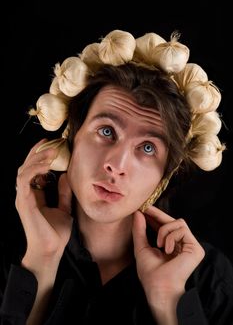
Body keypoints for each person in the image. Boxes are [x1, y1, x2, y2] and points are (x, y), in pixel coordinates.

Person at [0, 29, 233, 325]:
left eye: (147, 148)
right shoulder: (11, 255)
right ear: (72, 137)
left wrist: (168, 301)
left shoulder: (211, 280)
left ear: (165, 174)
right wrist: (40, 263)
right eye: (107, 131)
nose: (117, 165)